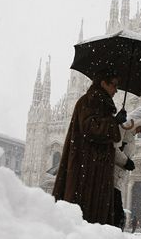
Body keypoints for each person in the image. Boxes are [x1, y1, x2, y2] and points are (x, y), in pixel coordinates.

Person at [52, 70, 127, 225]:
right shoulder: (90, 101)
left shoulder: (99, 102)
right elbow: (91, 129)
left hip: (92, 169)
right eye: (114, 85)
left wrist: (115, 122)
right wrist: (114, 122)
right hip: (87, 170)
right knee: (86, 214)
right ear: (103, 83)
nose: (116, 90)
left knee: (91, 215)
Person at [113, 106, 141, 230]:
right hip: (111, 177)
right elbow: (113, 148)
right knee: (117, 216)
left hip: (117, 179)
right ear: (137, 122)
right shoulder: (123, 127)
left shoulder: (130, 133)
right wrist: (126, 162)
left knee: (118, 217)